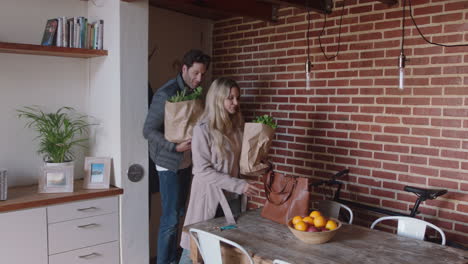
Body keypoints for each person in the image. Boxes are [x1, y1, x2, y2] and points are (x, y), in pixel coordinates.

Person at [178, 78, 260, 264]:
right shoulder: (202, 129)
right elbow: (202, 171)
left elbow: (239, 163)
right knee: (193, 252)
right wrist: (239, 185)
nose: (236, 103)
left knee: (223, 254)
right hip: (208, 198)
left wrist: (258, 164)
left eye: (237, 98)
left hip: (232, 200)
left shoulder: (237, 126)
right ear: (217, 99)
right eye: (230, 98)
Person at [143, 49, 211, 264]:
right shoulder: (166, 93)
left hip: (186, 162)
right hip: (168, 162)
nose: (199, 79)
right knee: (171, 219)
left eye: (202, 74)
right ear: (184, 69)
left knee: (180, 213)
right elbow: (148, 131)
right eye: (196, 73)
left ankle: (174, 259)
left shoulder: (196, 92)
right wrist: (175, 148)